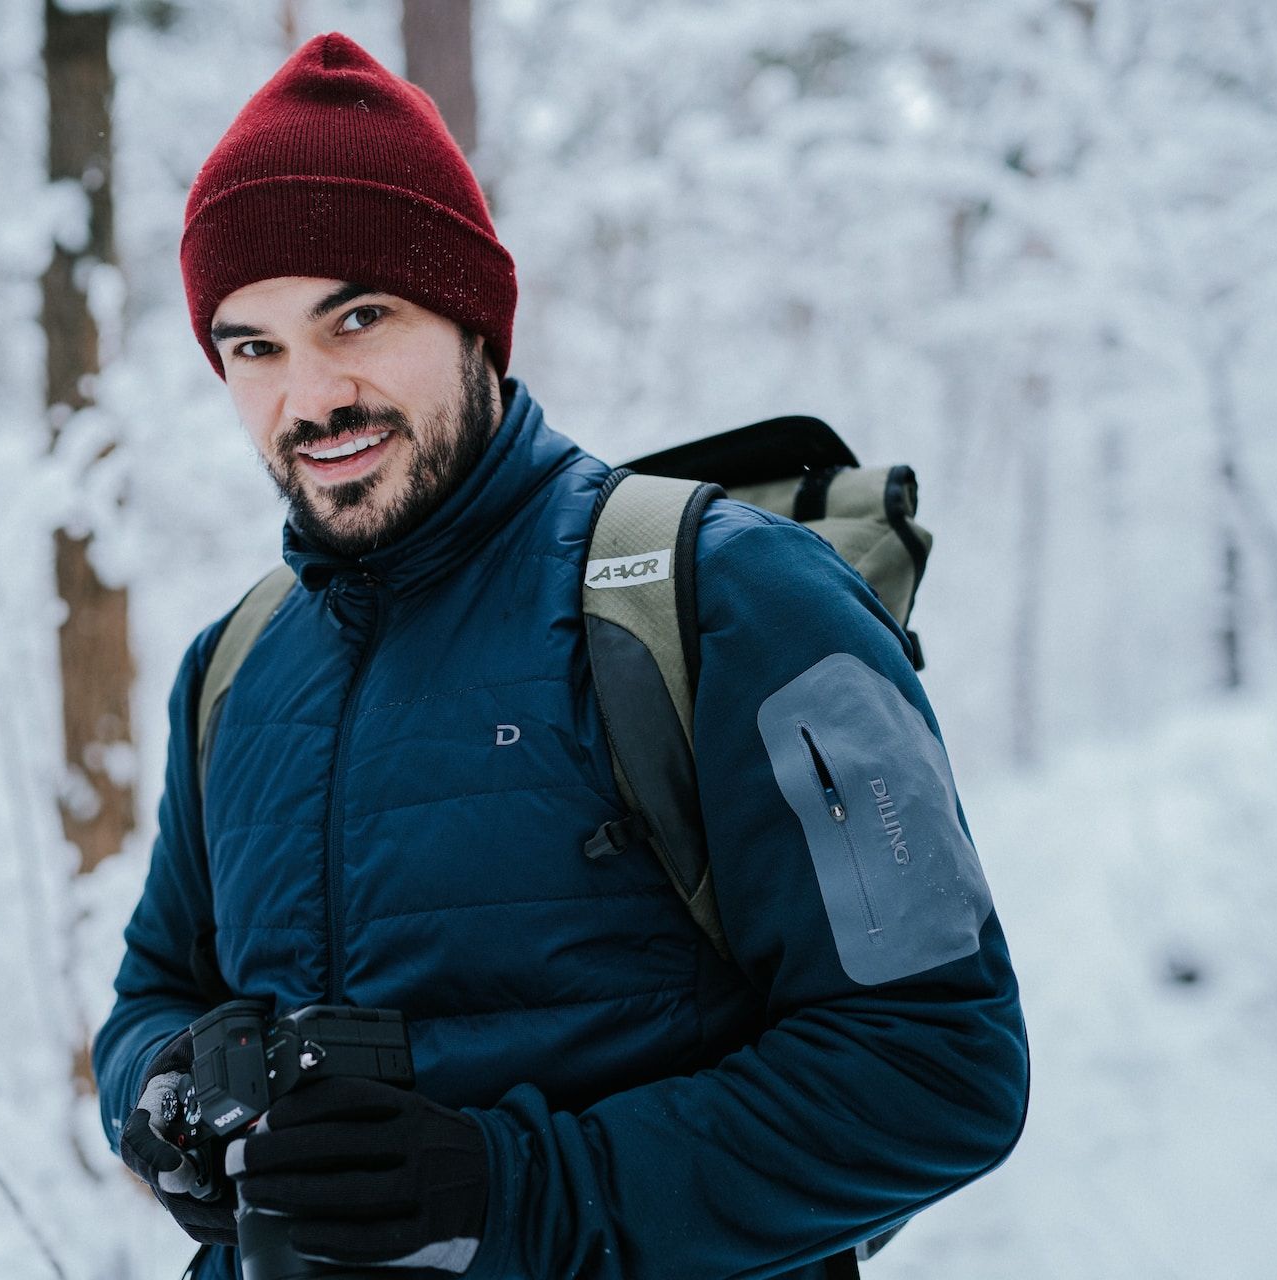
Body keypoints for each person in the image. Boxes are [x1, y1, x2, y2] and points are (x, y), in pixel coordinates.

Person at [94, 31, 1028, 1280]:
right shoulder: (237, 666)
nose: (308, 397)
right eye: (251, 345)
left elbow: (938, 1060)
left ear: (474, 315)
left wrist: (511, 1190)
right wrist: (159, 1087)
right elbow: (154, 987)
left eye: (357, 317)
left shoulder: (730, 601)